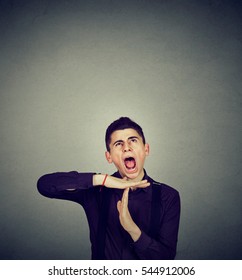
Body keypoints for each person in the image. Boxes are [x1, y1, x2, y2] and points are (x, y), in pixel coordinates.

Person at [37, 117, 180, 260]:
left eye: (133, 140)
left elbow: (166, 260)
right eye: (119, 144)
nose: (126, 147)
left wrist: (133, 229)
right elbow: (44, 185)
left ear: (146, 149)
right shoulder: (96, 191)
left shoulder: (168, 196)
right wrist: (102, 179)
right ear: (109, 157)